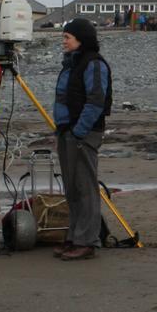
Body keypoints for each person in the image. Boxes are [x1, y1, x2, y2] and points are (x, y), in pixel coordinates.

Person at [52, 18, 112, 261]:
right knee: (72, 189)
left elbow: (96, 100)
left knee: (85, 188)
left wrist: (79, 131)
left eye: (67, 37)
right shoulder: (72, 64)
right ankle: (74, 237)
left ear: (81, 39)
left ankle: (87, 241)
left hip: (83, 133)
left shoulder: (94, 64)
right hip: (68, 131)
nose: (64, 41)